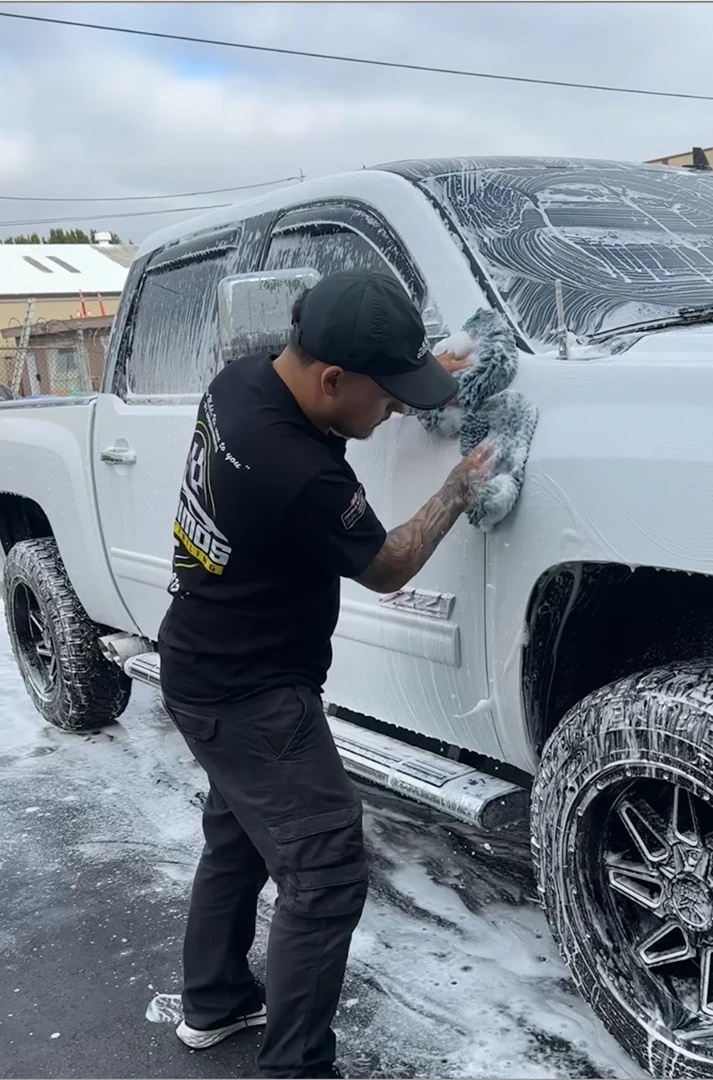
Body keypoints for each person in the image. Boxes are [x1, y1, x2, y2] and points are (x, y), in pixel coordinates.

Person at [158, 270, 493, 1079]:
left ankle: (213, 1000)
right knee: (327, 870)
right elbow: (386, 566)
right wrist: (457, 486)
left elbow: (349, 404)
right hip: (250, 693)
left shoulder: (243, 380)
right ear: (332, 378)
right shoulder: (300, 471)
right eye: (388, 397)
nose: (396, 413)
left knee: (238, 836)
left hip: (202, 664)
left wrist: (420, 373)